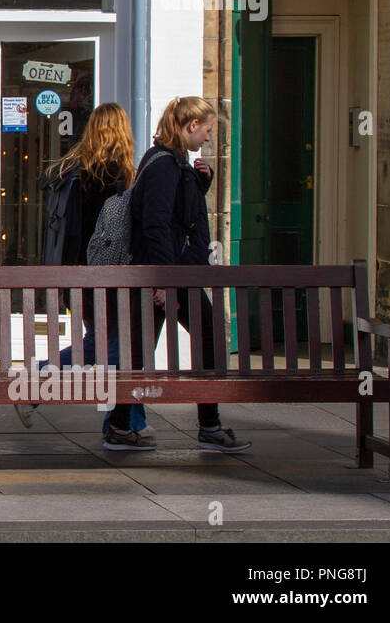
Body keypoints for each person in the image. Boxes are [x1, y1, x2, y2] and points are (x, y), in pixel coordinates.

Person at [103, 96, 251, 452]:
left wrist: (202, 183)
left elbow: (175, 217)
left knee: (140, 350)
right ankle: (209, 427)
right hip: (169, 274)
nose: (209, 139)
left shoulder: (170, 163)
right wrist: (164, 281)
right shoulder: (165, 167)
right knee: (210, 339)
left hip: (168, 273)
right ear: (190, 127)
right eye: (207, 131)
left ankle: (122, 428)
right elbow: (155, 226)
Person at [15, 103, 149, 436]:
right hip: (106, 276)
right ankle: (122, 423)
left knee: (110, 344)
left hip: (76, 277)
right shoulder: (113, 177)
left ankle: (133, 421)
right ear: (121, 132)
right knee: (117, 347)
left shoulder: (72, 171)